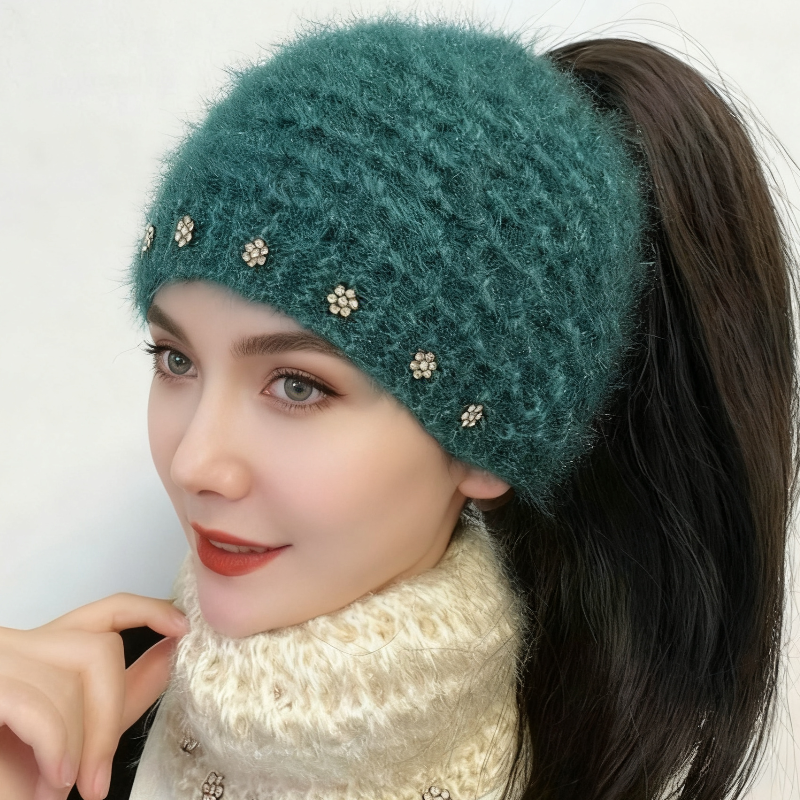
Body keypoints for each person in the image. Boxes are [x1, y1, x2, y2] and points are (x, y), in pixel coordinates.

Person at [0, 17, 795, 800]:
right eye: (175, 360)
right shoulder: (65, 735)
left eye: (298, 385)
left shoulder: (579, 771)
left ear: (483, 441)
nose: (193, 462)